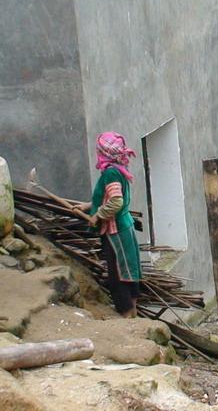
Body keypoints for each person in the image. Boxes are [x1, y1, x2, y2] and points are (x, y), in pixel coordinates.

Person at [75, 132, 141, 317]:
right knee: (129, 270)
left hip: (116, 230)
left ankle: (127, 313)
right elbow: (108, 198)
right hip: (124, 227)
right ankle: (133, 312)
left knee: (118, 275)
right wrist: (88, 206)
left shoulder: (111, 172)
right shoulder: (119, 167)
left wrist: (97, 215)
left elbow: (116, 202)